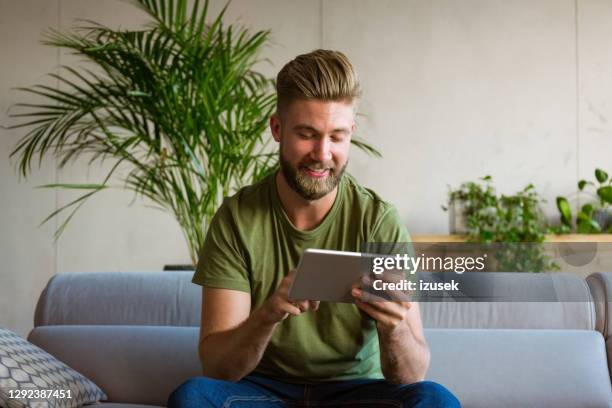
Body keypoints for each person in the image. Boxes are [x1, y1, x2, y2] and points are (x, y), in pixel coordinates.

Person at [168, 49, 460, 407]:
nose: (322, 154)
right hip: (264, 392)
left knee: (435, 399)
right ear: (277, 129)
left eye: (336, 137)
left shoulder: (378, 220)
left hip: (356, 394)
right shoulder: (237, 219)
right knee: (192, 397)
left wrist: (394, 325)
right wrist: (269, 314)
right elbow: (216, 368)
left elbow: (411, 375)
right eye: (307, 134)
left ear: (351, 132)